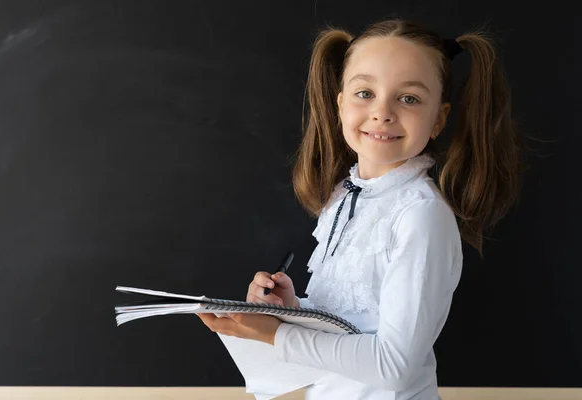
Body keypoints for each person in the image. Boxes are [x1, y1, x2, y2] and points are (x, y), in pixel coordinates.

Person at [198, 17, 522, 399]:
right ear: (340, 105)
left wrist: (279, 334)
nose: (382, 112)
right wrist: (291, 309)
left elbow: (393, 365)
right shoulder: (344, 196)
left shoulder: (421, 215)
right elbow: (353, 323)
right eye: (365, 93)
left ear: (439, 118)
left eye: (409, 98)